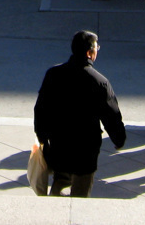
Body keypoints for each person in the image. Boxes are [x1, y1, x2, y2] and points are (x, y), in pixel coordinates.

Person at [33, 30, 126, 197]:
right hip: (86, 147)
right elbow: (111, 115)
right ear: (89, 52)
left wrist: (42, 136)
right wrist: (119, 139)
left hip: (59, 141)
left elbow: (41, 108)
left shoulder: (53, 74)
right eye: (97, 47)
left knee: (60, 180)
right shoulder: (99, 82)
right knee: (81, 190)